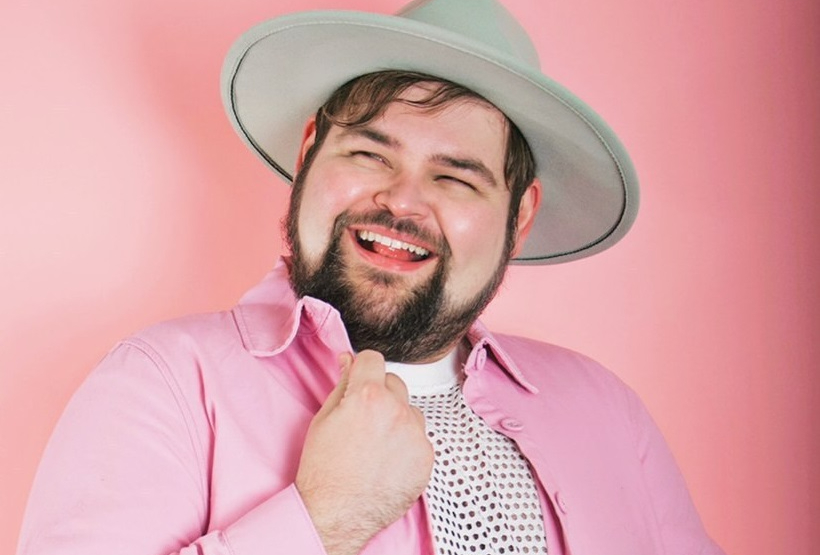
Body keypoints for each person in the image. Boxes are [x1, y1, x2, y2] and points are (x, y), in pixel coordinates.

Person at [18, 0, 726, 554]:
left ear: (520, 217)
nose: (402, 201)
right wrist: (325, 518)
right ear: (309, 155)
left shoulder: (609, 413)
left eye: (456, 177)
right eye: (369, 153)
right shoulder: (165, 382)